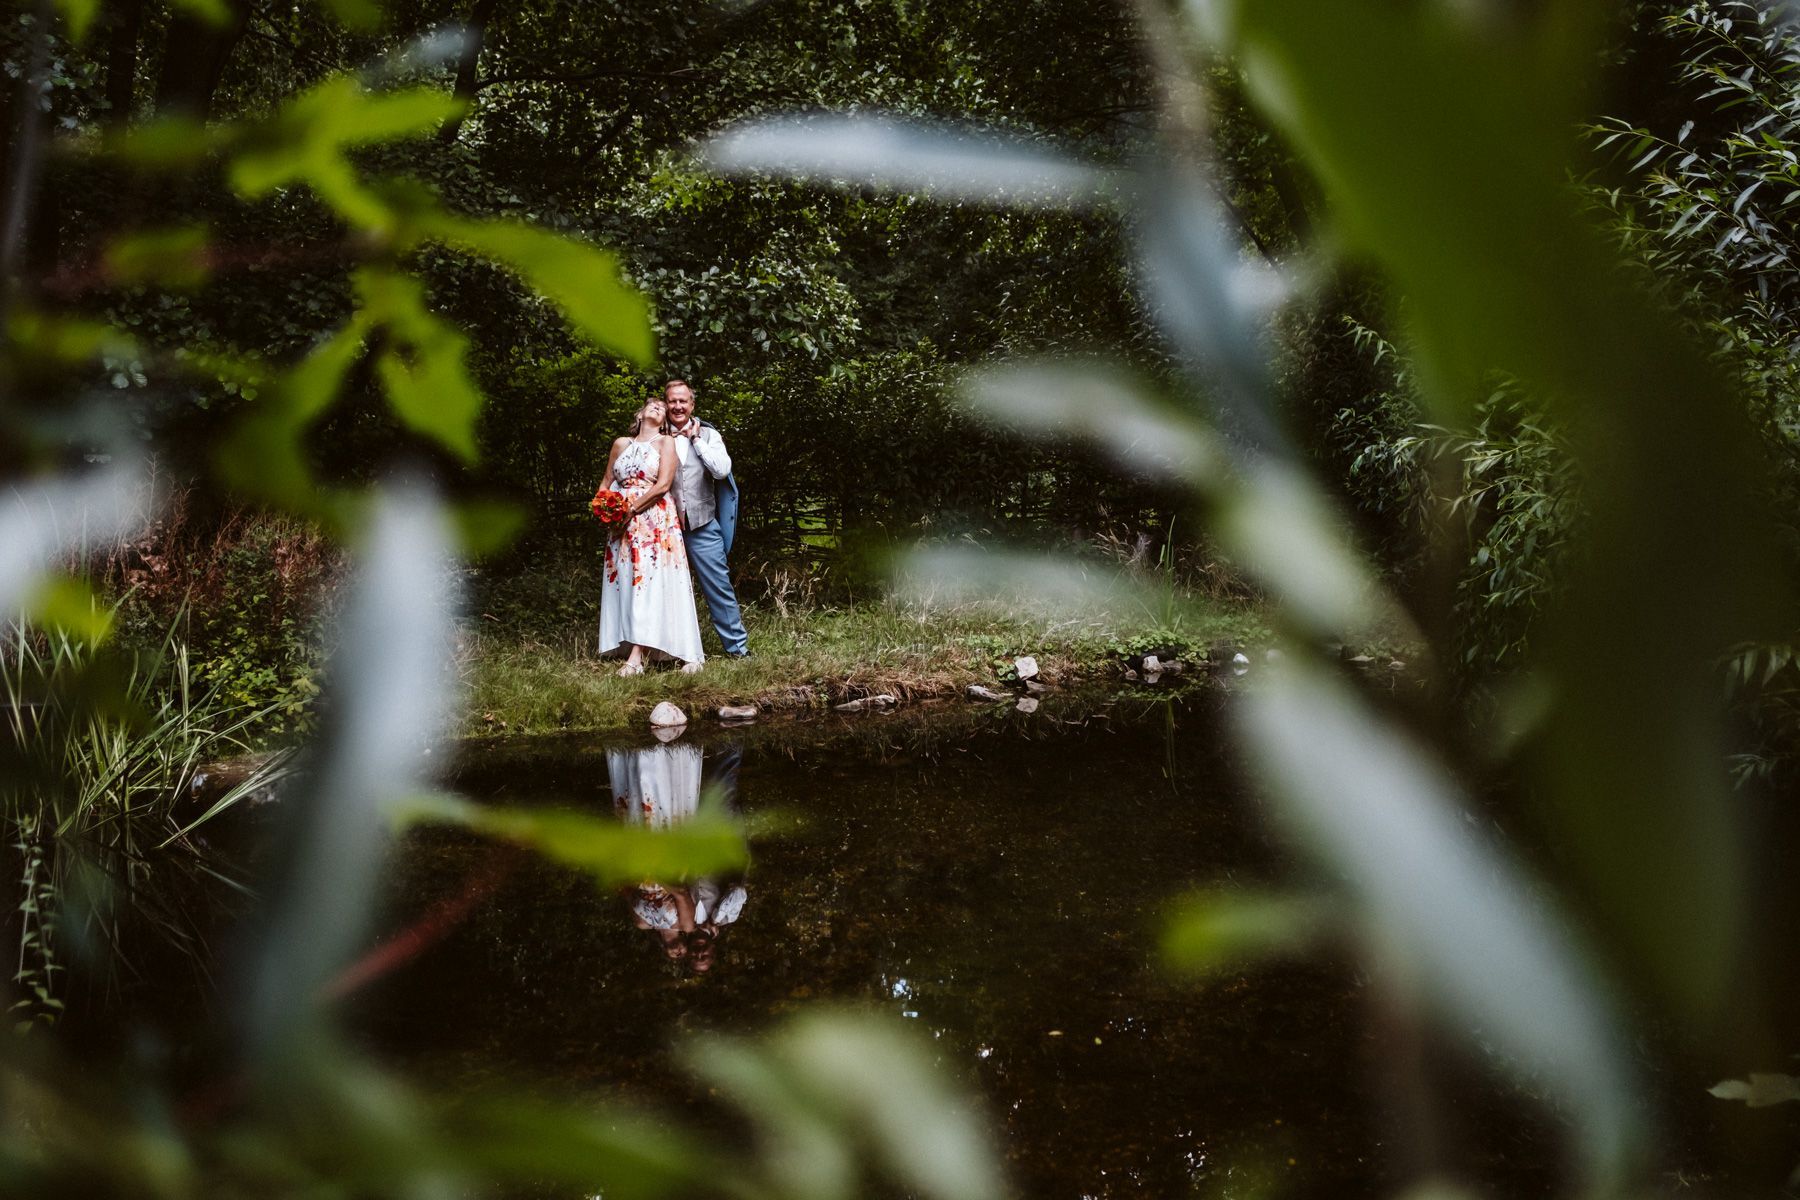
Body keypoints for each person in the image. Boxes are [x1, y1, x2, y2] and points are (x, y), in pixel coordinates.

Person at [597, 396, 705, 675]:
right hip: (620, 526)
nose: (658, 407)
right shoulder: (621, 444)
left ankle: (636, 658)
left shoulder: (665, 443)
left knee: (649, 583)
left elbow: (663, 484)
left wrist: (629, 510)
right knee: (627, 580)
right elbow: (606, 483)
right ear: (641, 412)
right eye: (652, 404)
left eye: (662, 406)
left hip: (653, 521)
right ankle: (633, 643)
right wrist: (604, 511)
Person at [663, 380, 750, 658]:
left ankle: (737, 649)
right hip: (665, 529)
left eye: (682, 401)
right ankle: (668, 651)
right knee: (662, 591)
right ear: (665, 404)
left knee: (719, 587)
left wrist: (696, 440)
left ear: (692, 405)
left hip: (702, 525)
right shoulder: (655, 434)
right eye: (672, 401)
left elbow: (722, 471)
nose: (677, 406)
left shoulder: (709, 434)